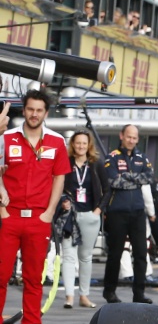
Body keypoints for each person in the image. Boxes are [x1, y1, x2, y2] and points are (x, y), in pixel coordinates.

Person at [0, 91, 67, 324]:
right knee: (1, 275)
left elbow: (59, 177)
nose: (34, 114)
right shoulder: (5, 138)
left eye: (39, 110)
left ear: (46, 113)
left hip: (39, 219)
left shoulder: (56, 141)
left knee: (33, 278)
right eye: (30, 109)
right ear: (24, 110)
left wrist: (49, 212)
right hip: (9, 216)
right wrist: (2, 211)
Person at [100, 124, 155, 304]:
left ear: (137, 139)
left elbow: (149, 177)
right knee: (115, 253)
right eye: (128, 136)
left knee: (140, 254)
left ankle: (139, 294)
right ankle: (109, 292)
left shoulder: (142, 157)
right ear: (121, 136)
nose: (131, 140)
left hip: (138, 212)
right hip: (117, 212)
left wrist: (128, 177)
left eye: (134, 138)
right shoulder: (112, 157)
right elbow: (114, 181)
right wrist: (135, 179)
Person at [61, 132, 104, 309]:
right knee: (68, 256)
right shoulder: (66, 163)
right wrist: (62, 202)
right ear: (72, 144)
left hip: (90, 216)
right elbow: (58, 184)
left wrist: (98, 211)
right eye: (77, 143)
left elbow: (108, 189)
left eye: (83, 143)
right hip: (69, 216)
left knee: (85, 257)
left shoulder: (95, 164)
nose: (80, 146)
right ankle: (69, 295)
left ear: (89, 145)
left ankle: (84, 296)